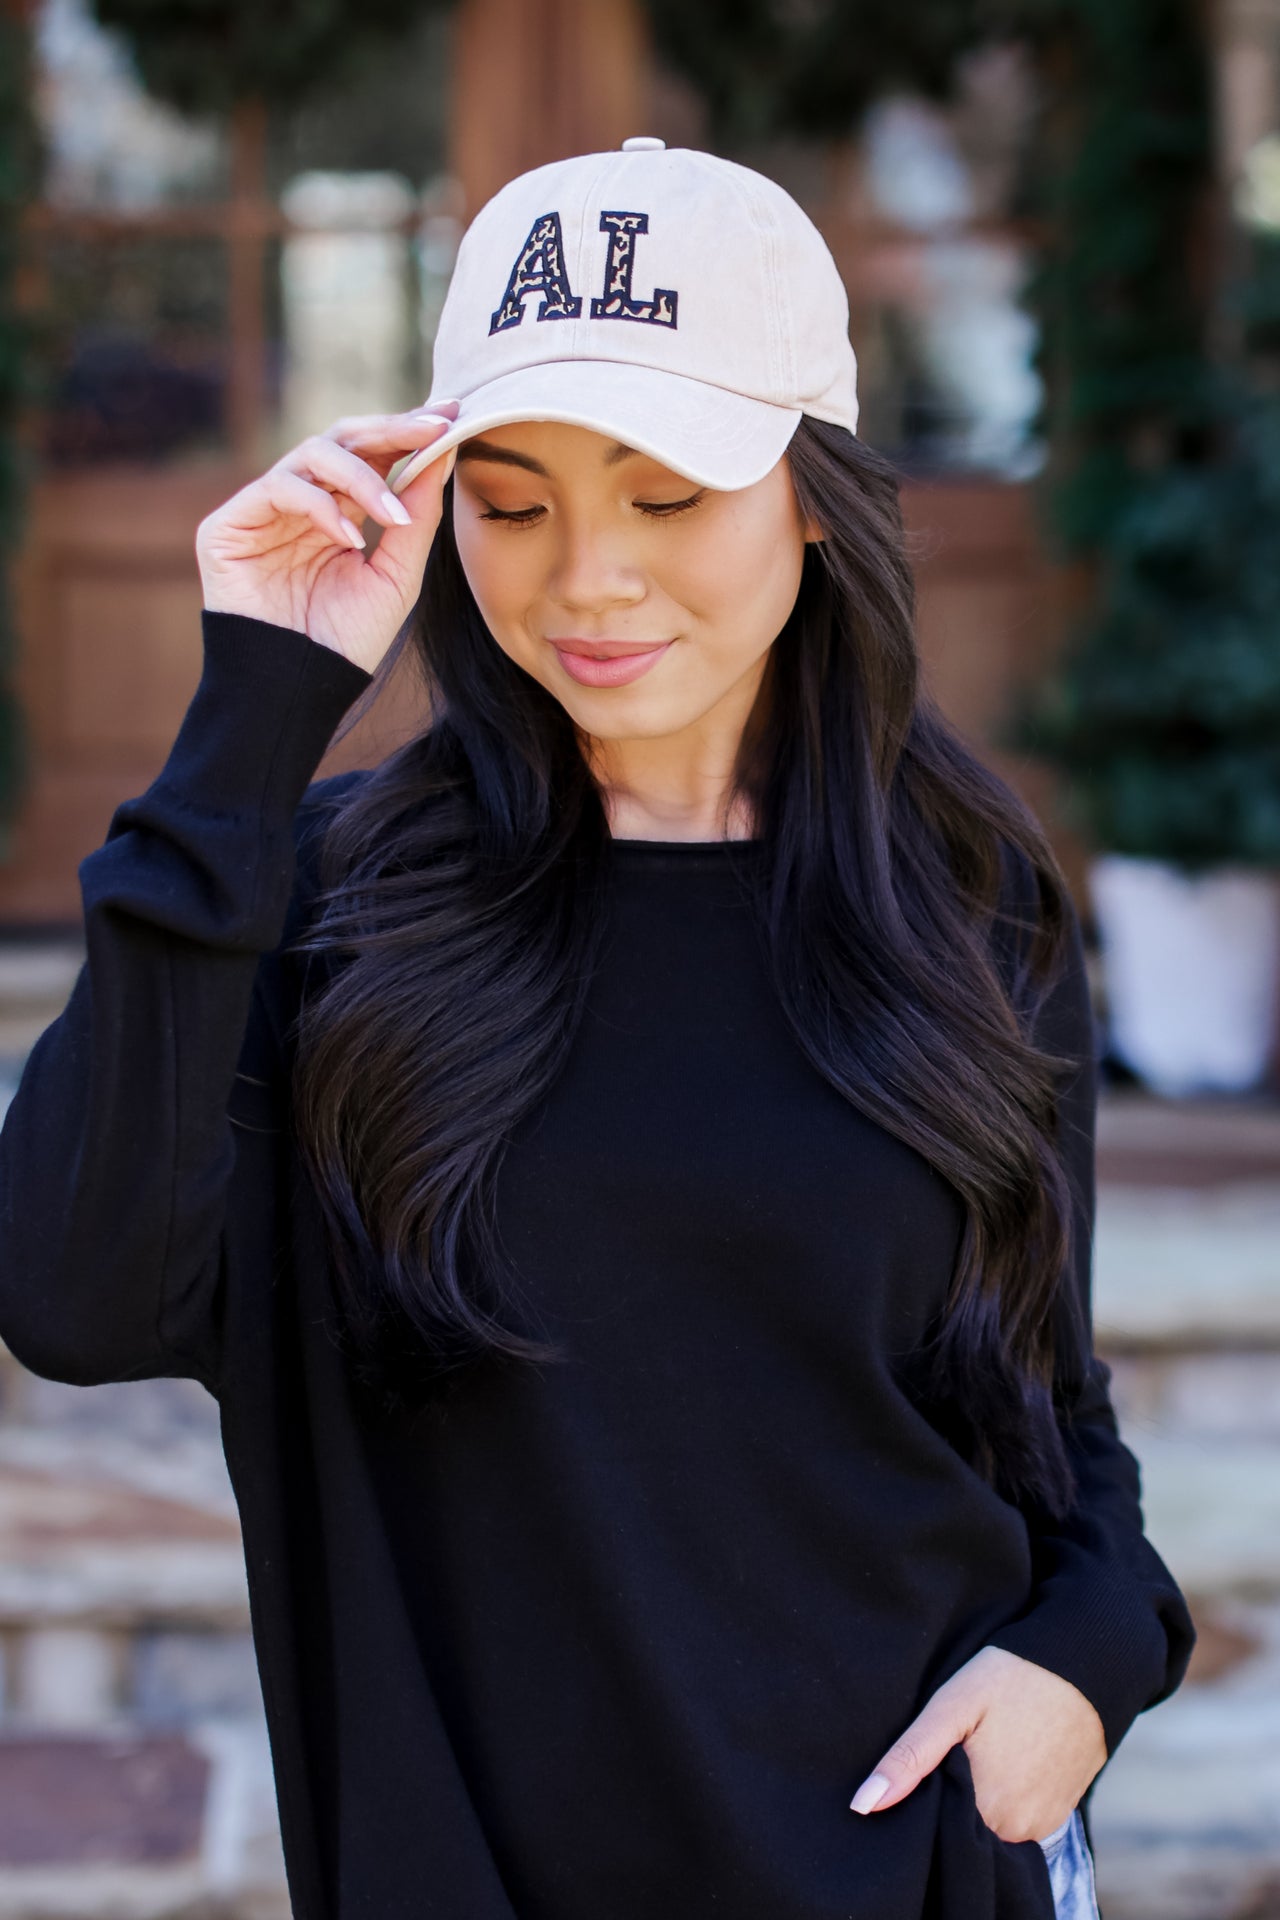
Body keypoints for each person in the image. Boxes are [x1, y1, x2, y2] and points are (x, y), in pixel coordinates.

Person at [0, 138, 1193, 1920]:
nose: (586, 582)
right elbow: (70, 1297)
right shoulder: (331, 911)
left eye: (663, 495)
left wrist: (1092, 1655)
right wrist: (254, 710)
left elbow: (1044, 1411)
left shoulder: (972, 899)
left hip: (924, 1873)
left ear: (812, 495)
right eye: (514, 500)